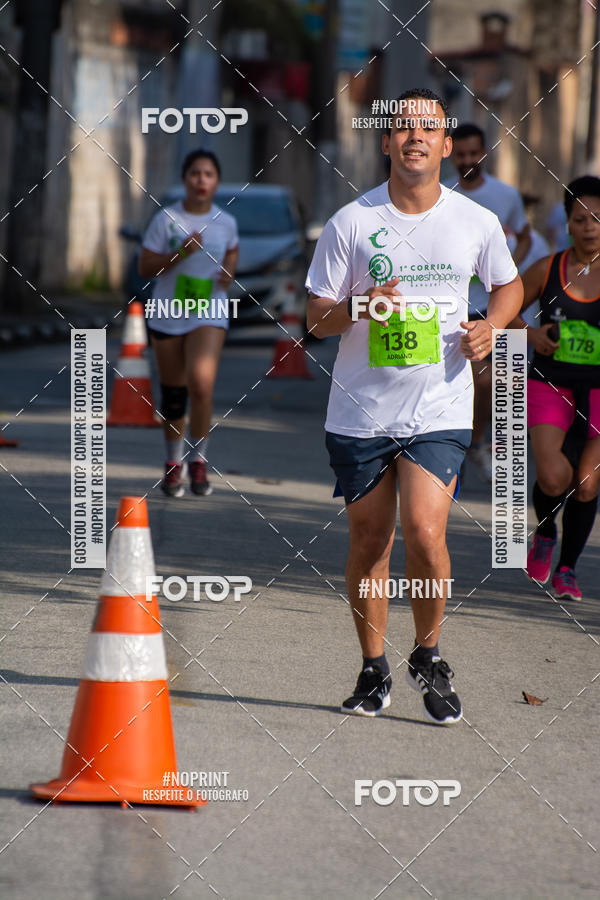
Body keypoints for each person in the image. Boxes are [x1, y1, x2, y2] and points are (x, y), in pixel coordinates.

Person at [306, 88, 522, 725]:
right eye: (403, 127)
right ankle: (374, 667)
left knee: (426, 533)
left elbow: (509, 287)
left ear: (446, 145)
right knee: (371, 540)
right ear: (387, 142)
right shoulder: (352, 222)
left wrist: (492, 327)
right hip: (360, 411)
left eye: (428, 128)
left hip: (440, 407)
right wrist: (360, 305)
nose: (415, 137)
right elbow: (315, 318)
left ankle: (428, 653)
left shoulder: (475, 221)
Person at [509, 175, 600, 600]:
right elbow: (503, 309)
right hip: (551, 383)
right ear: (567, 223)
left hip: (598, 391)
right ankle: (545, 532)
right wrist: (530, 335)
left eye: (597, 218)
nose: (589, 226)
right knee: (553, 476)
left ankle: (567, 569)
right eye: (580, 218)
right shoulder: (547, 268)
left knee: (586, 484)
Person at [139, 149, 239, 497]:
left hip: (208, 311)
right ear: (185, 179)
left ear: (217, 181)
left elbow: (232, 250)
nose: (201, 180)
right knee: (174, 394)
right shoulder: (166, 219)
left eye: (208, 174)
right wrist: (180, 252)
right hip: (168, 312)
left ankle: (198, 461)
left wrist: (229, 271)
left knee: (201, 385)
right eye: (195, 173)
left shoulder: (226, 221)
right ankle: (173, 462)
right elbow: (144, 267)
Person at [445, 123, 531, 482]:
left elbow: (525, 236)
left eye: (473, 154)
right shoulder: (442, 194)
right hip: (451, 307)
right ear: (450, 154)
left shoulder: (505, 195)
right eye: (461, 155)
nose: (467, 161)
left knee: (491, 382)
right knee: (457, 382)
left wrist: (507, 273)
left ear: (484, 153)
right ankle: (452, 445)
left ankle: (477, 441)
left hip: (491, 306)